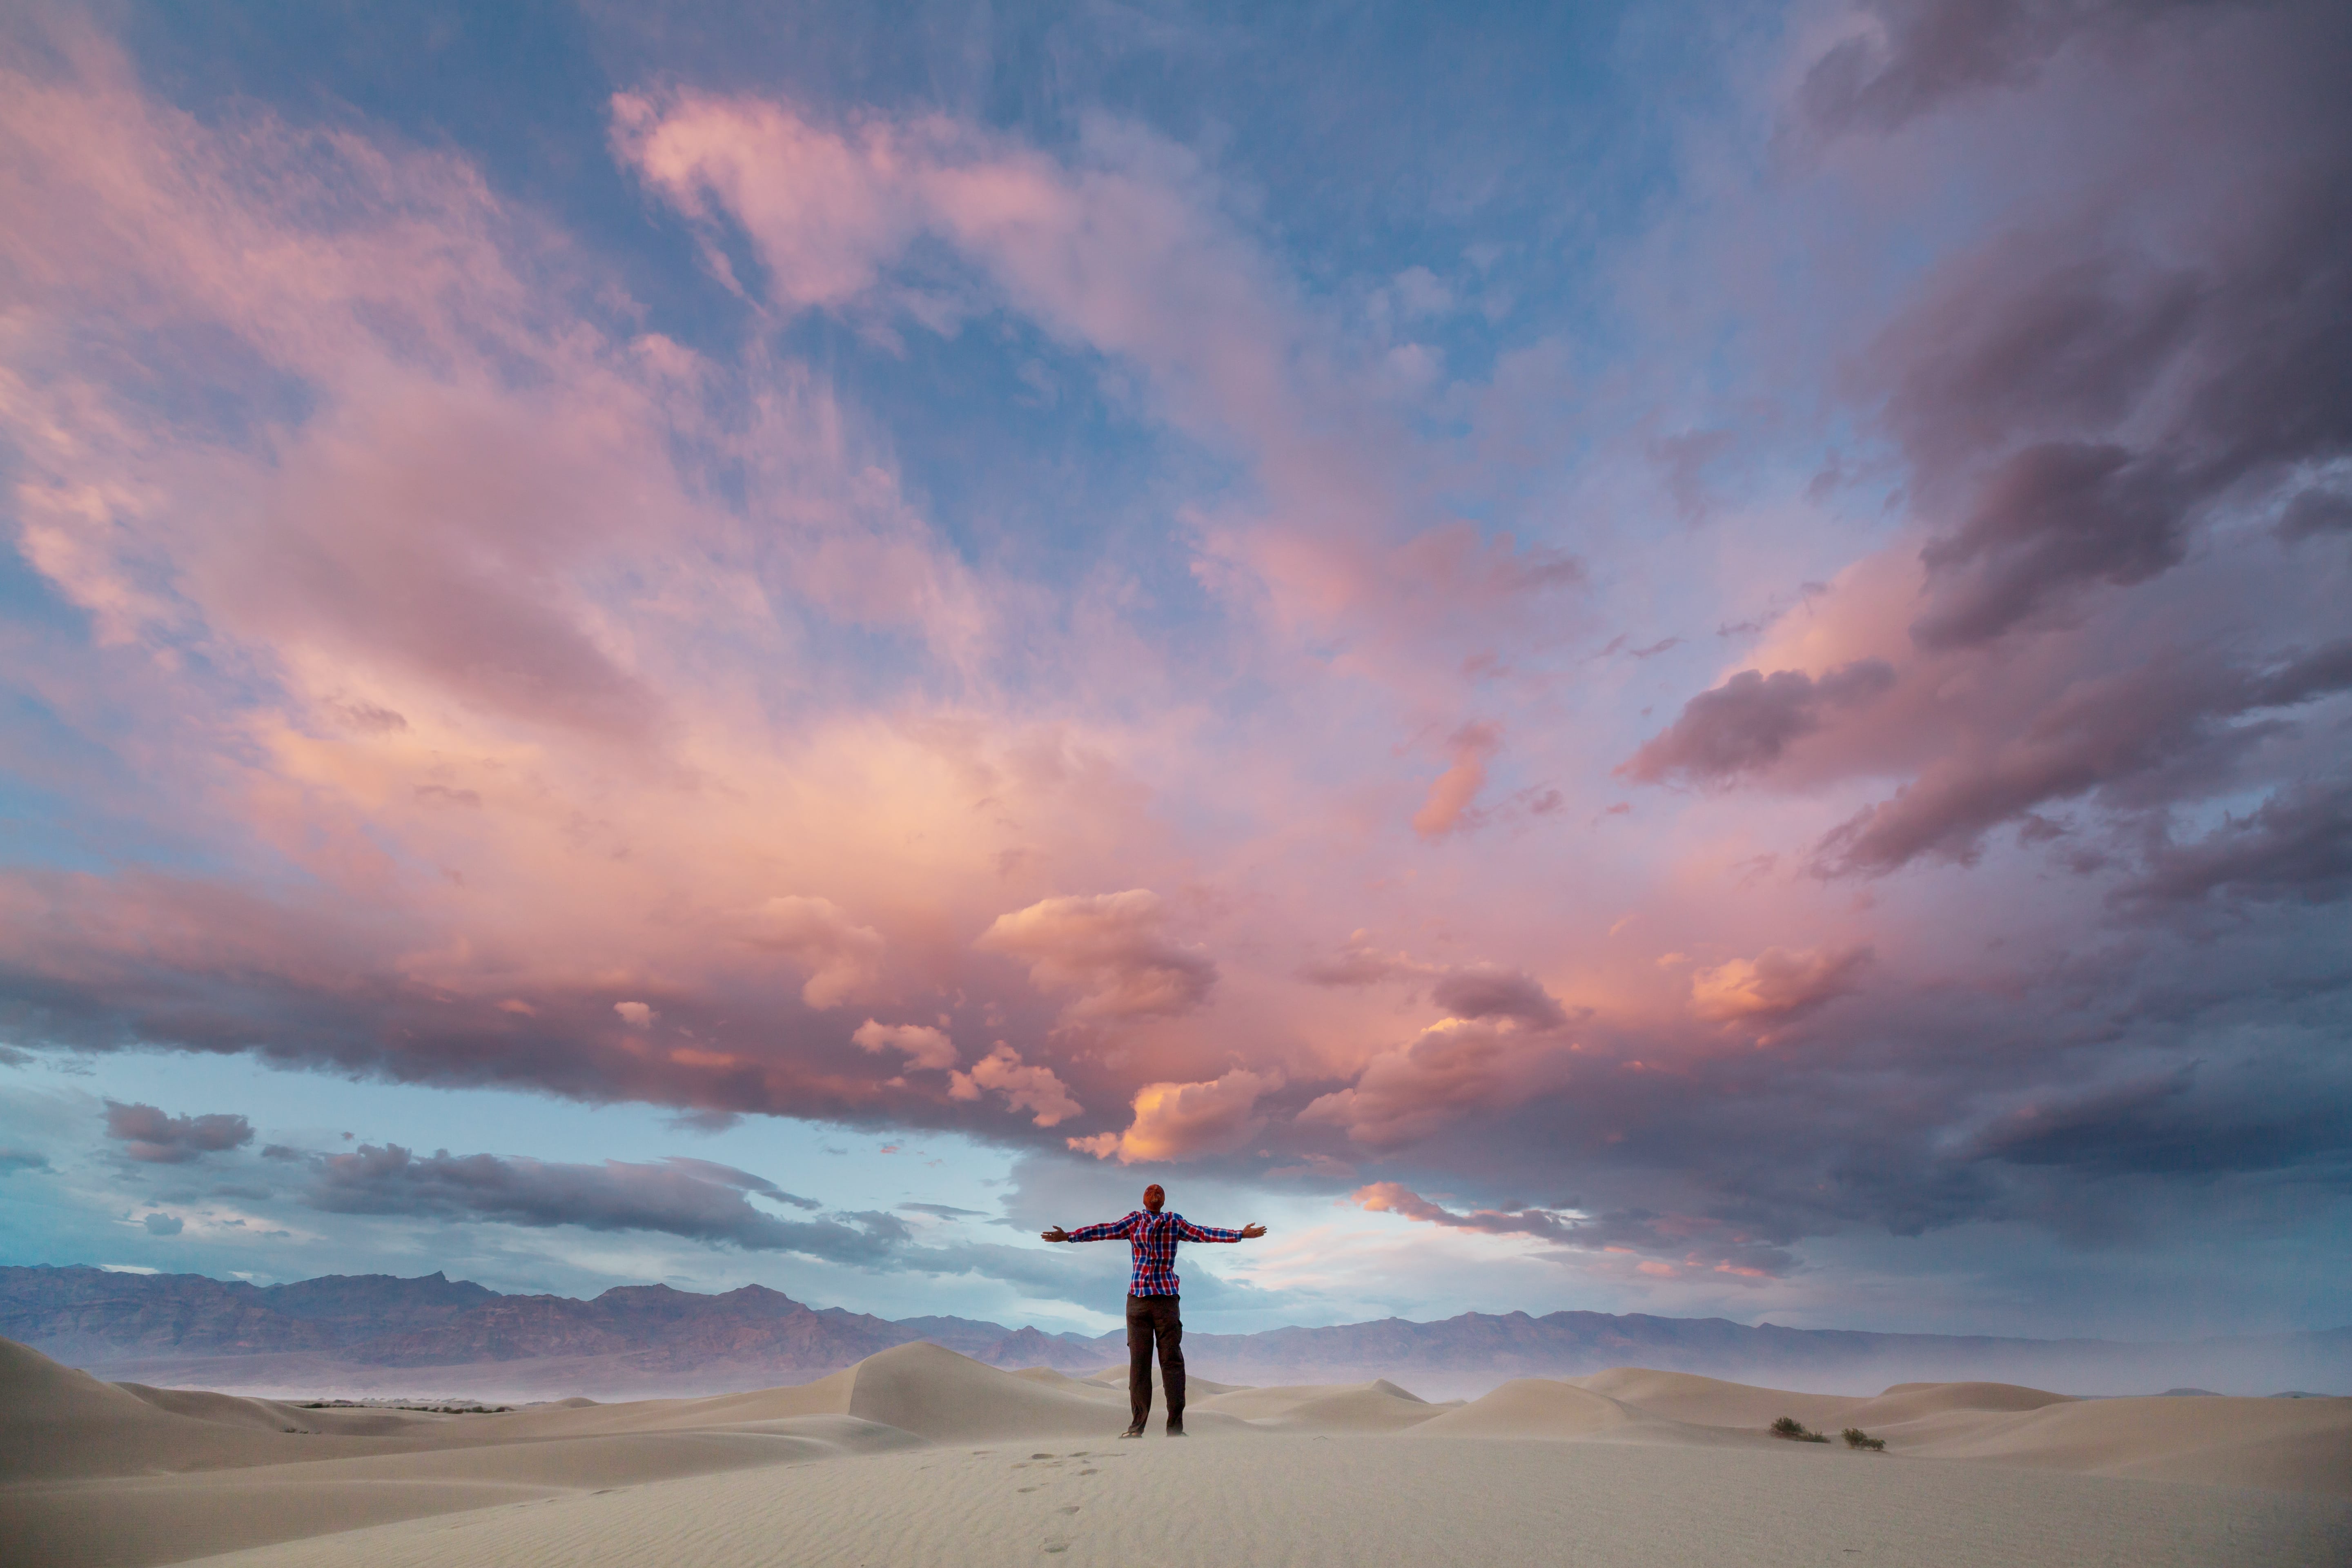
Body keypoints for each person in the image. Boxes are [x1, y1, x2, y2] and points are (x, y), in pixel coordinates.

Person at [1041, 1183, 1267, 1437]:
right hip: (1137, 1301)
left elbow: (1204, 1233)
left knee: (1171, 1362)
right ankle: (1137, 1428)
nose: (1155, 1193)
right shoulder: (1134, 1221)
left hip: (1166, 1301)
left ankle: (1175, 1429)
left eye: (1159, 1191)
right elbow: (1103, 1231)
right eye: (1150, 1191)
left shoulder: (1174, 1222)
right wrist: (1070, 1236)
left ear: (1165, 1199)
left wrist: (1240, 1235)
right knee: (1139, 1365)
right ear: (1143, 1198)